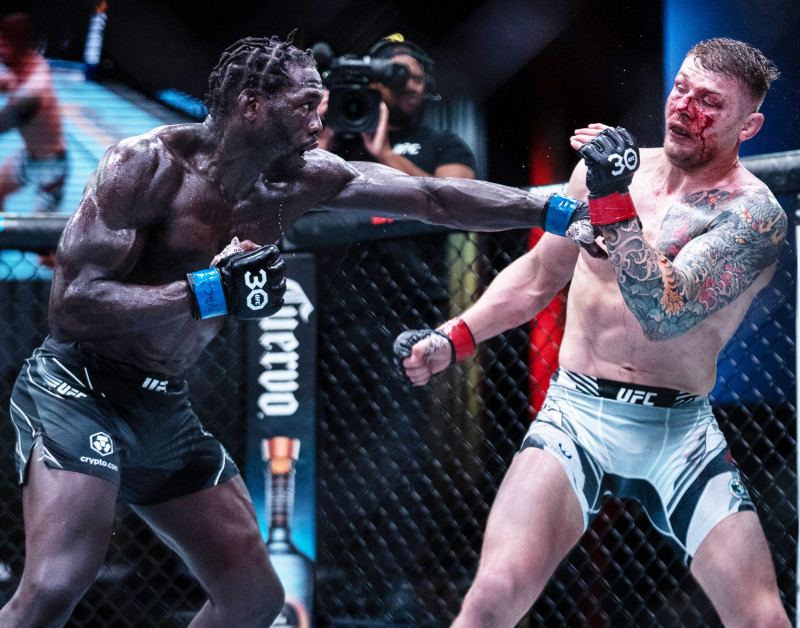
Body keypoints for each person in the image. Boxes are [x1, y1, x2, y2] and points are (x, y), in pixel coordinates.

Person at [0, 33, 598, 627]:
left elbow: (433, 197)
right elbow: (73, 307)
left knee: (254, 600)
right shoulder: (145, 165)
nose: (319, 120)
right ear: (251, 104)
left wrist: (553, 210)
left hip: (162, 405)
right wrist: (208, 291)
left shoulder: (304, 179)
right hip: (79, 389)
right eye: (306, 104)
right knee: (55, 584)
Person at [395, 37, 790, 627]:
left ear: (748, 125)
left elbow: (664, 311)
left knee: (761, 619)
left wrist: (609, 200)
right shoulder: (606, 172)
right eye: (681, 88)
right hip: (576, 413)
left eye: (709, 101)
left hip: (678, 431)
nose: (685, 107)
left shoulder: (753, 216)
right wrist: (453, 338)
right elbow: (538, 276)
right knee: (492, 594)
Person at [317, 33, 476, 179]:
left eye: (418, 79)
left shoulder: (445, 144)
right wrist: (319, 143)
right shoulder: (331, 137)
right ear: (373, 84)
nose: (411, 87)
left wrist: (386, 154)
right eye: (398, 79)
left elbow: (456, 197)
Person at [0, 12, 67, 214]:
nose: (0, 51)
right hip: (30, 156)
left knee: (40, 230)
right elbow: (10, 81)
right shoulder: (31, 63)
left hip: (52, 166)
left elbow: (4, 122)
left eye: (3, 45)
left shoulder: (33, 91)